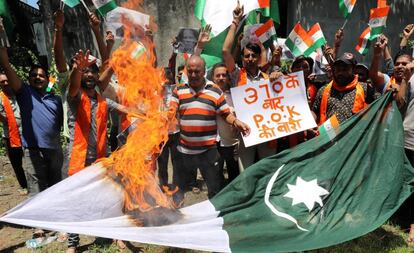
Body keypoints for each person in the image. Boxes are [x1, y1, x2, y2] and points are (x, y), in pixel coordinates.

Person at [64, 49, 128, 253]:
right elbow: (73, 85)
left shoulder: (104, 101)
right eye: (86, 71)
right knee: (75, 201)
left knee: (111, 196)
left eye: (92, 71)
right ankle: (73, 243)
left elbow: (127, 110)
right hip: (77, 159)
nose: (89, 75)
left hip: (101, 159)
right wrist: (76, 69)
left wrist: (151, 116)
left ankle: (116, 235)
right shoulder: (74, 96)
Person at [169, 55, 250, 198]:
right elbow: (171, 111)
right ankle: (178, 216)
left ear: (204, 71)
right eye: (190, 71)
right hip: (184, 152)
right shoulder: (178, 90)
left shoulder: (215, 90)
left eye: (197, 71)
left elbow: (225, 114)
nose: (193, 75)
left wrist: (236, 121)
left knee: (214, 191)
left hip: (208, 152)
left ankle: (215, 216)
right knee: (178, 191)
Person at [222, 2, 281, 170]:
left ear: (258, 57)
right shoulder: (236, 75)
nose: (249, 59)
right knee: (245, 172)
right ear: (242, 58)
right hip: (245, 132)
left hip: (267, 133)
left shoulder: (268, 78)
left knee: (268, 171)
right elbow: (226, 51)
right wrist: (235, 23)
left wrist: (278, 75)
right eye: (246, 56)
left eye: (253, 56)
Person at [312, 52, 378, 125]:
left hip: (353, 135)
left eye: (344, 69)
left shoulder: (366, 89)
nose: (340, 73)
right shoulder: (324, 90)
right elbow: (314, 110)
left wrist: (390, 92)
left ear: (353, 70)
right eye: (338, 69)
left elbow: (381, 103)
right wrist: (310, 125)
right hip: (328, 135)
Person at [211, 63, 240, 183]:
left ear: (228, 78)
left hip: (231, 141)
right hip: (213, 142)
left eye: (224, 75)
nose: (221, 78)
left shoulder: (236, 95)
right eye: (218, 75)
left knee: (234, 173)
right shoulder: (206, 95)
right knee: (215, 174)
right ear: (213, 78)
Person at [0, 72, 27, 194]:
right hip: (10, 136)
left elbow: (45, 90)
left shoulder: (22, 92)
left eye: (7, 80)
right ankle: (24, 186)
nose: (5, 83)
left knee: (33, 160)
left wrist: (51, 83)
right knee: (17, 164)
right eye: (2, 82)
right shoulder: (0, 98)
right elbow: (4, 119)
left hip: (28, 134)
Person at [157, 67, 180, 188]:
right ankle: (163, 185)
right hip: (160, 134)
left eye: (168, 78)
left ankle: (177, 184)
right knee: (162, 162)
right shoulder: (154, 92)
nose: (166, 81)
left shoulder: (176, 91)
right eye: (164, 78)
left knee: (177, 161)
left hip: (175, 132)